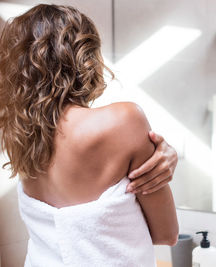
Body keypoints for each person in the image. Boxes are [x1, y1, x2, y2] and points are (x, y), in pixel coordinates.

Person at [0, 4, 178, 266]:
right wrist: (165, 153)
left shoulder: (18, 136)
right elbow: (167, 234)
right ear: (85, 56)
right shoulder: (124, 119)